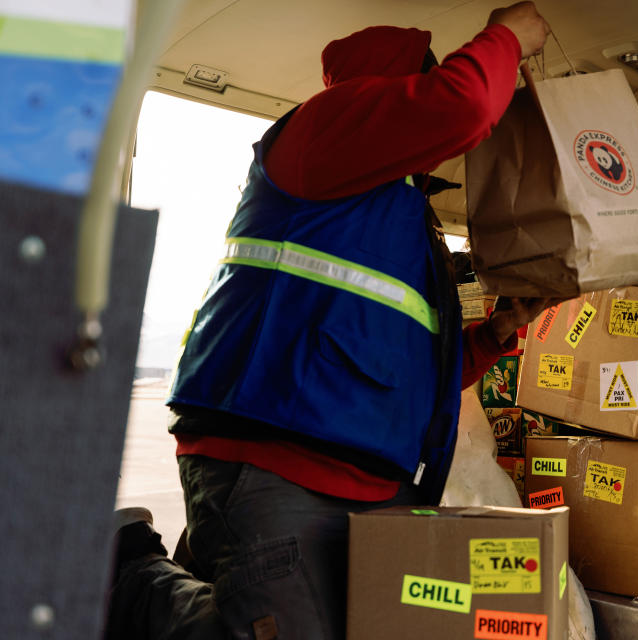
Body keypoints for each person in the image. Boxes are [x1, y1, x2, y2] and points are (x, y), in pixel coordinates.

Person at [107, 3, 556, 638]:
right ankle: (128, 570)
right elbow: (463, 106)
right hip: (279, 456)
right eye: (421, 81)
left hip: (360, 474)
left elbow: (401, 377)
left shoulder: (395, 218)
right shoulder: (324, 131)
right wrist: (508, 36)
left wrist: (494, 336)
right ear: (390, 87)